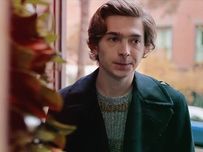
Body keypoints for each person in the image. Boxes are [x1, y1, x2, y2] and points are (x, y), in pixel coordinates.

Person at [52, 0, 195, 151]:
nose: (125, 51)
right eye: (114, 39)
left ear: (145, 47)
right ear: (95, 45)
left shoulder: (174, 103)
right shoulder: (62, 104)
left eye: (135, 41)